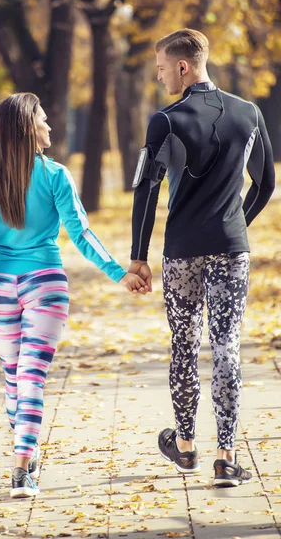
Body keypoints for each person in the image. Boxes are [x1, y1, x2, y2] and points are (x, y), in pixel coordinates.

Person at [0, 93, 148, 499]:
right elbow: (81, 233)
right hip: (45, 283)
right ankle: (25, 462)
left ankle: (20, 464)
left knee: (20, 378)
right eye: (44, 120)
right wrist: (118, 274)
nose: (50, 127)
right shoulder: (54, 175)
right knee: (23, 379)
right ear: (29, 128)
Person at [128, 29, 275, 487]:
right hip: (232, 250)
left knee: (185, 345)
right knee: (227, 346)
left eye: (161, 68)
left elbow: (146, 192)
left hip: (182, 252)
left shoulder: (165, 121)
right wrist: (234, 224)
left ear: (183, 67)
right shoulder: (249, 113)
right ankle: (227, 458)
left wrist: (138, 257)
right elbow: (266, 184)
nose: (159, 76)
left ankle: (187, 446)